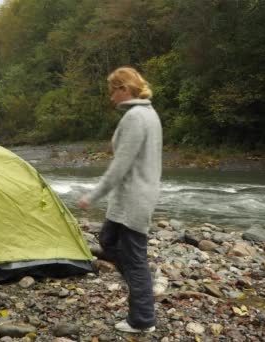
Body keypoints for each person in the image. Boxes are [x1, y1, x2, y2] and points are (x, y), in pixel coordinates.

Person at [78, 67, 162, 333]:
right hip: (135, 196)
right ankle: (143, 289)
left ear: (124, 89)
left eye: (112, 91)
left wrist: (93, 195)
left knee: (134, 259)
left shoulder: (136, 117)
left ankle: (142, 318)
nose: (111, 98)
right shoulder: (148, 113)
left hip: (134, 199)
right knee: (107, 240)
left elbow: (120, 166)